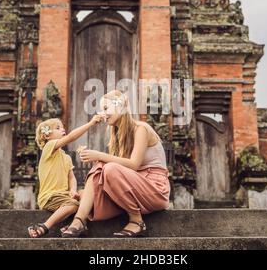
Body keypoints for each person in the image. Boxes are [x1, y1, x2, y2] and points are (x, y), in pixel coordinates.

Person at [61, 90, 170, 238]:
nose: (102, 113)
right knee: (101, 166)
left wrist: (99, 155)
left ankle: (136, 221)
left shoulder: (141, 128)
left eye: (106, 108)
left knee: (108, 166)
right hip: (134, 188)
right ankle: (79, 221)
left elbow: (133, 165)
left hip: (154, 188)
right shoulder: (118, 135)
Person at [28, 115, 102, 238]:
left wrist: (73, 190)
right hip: (50, 196)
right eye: (58, 128)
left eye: (62, 127)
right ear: (47, 136)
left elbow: (71, 178)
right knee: (74, 205)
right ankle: (45, 226)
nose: (62, 129)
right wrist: (90, 123)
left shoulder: (66, 157)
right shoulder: (49, 147)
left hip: (64, 196)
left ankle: (74, 225)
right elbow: (70, 137)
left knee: (84, 194)